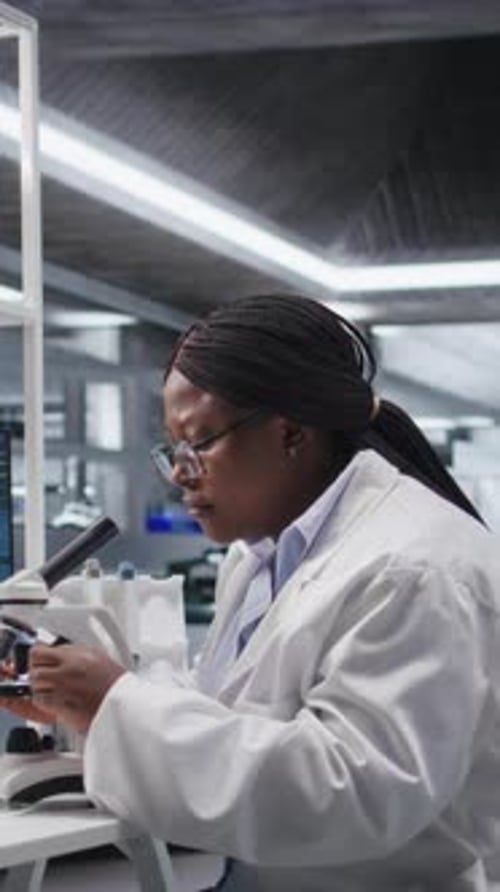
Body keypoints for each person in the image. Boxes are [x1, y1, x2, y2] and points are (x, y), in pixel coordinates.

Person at [2, 292, 500, 891]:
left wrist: (116, 704)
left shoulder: (415, 566)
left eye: (202, 442)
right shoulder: (262, 557)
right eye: (174, 449)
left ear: (291, 434)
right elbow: (241, 714)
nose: (182, 474)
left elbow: (352, 792)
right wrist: (87, 711)